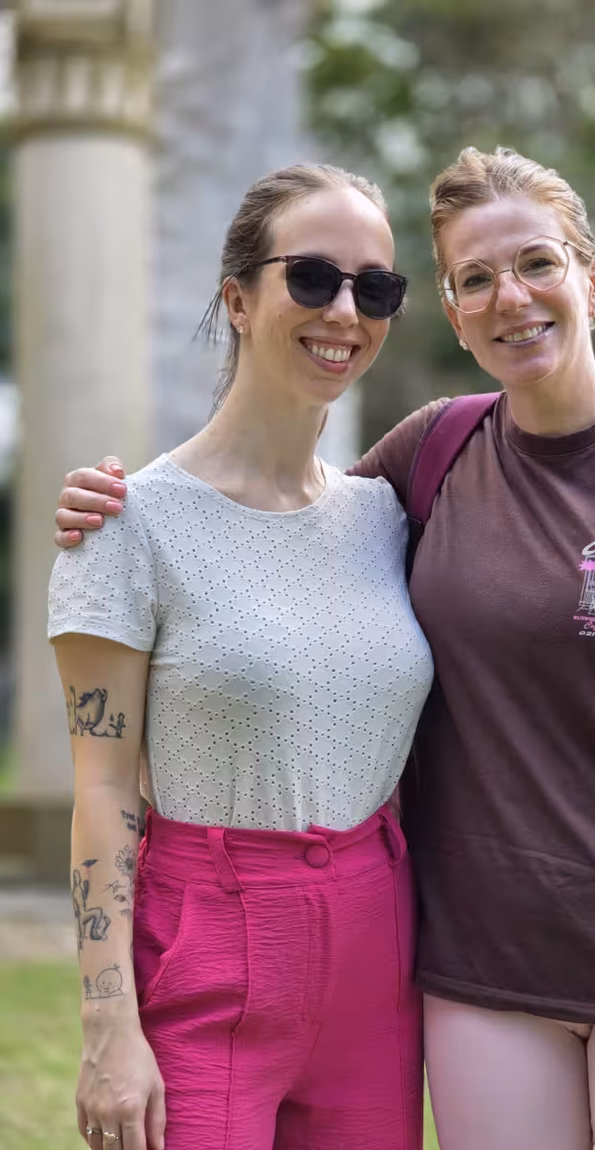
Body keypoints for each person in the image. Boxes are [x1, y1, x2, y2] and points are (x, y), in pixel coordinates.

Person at [54, 146, 595, 1150]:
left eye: (374, 287)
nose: (511, 297)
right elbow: (254, 533)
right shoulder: (426, 461)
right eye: (474, 278)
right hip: (468, 977)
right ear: (453, 312)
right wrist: (114, 507)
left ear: (593, 279)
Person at [48, 164, 434, 1150]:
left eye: (375, 287)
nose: (344, 311)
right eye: (312, 277)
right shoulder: (126, 525)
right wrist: (108, 1024)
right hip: (205, 947)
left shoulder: (387, 516)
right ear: (237, 300)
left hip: (376, 951)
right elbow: (104, 789)